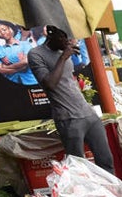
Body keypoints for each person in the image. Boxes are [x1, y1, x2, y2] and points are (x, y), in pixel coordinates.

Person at [27, 26, 115, 175]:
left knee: (106, 159)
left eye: (71, 39)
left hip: (88, 113)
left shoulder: (65, 52)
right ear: (51, 34)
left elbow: (68, 82)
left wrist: (65, 55)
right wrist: (63, 57)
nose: (68, 42)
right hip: (68, 118)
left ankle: (110, 193)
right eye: (64, 38)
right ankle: (82, 196)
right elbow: (49, 84)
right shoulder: (36, 54)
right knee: (77, 167)